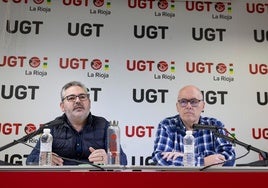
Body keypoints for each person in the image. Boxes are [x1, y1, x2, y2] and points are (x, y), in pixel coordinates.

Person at [26, 81, 127, 166]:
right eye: (71, 98)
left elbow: (123, 160)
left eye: (82, 97)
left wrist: (110, 160)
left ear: (89, 103)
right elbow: (30, 160)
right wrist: (42, 160)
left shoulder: (104, 126)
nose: (78, 101)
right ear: (62, 106)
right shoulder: (53, 127)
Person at [151, 85, 236, 167]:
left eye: (194, 102)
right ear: (177, 107)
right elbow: (160, 158)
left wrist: (184, 157)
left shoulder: (215, 125)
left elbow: (229, 158)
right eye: (183, 102)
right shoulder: (167, 125)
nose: (188, 106)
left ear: (203, 106)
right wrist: (204, 162)